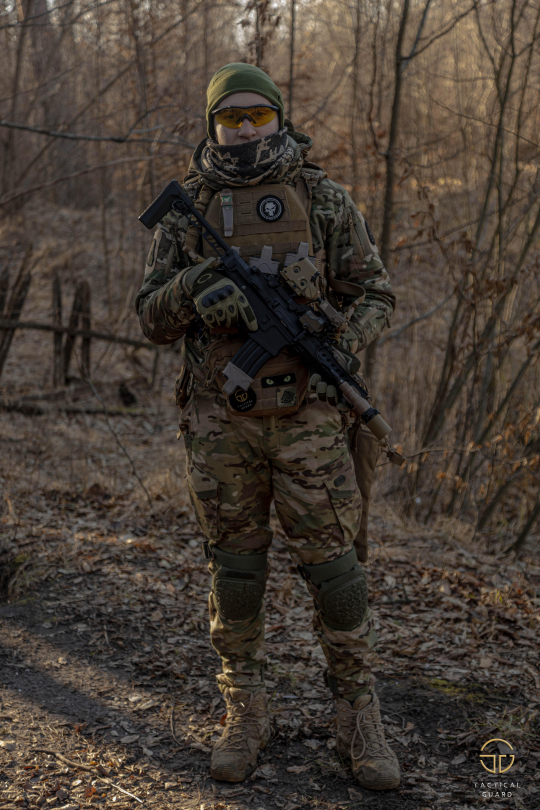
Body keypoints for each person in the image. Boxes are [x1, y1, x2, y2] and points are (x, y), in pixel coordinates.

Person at [136, 62, 400, 791]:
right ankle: (245, 707)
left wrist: (343, 338)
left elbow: (377, 292)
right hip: (219, 424)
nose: (246, 129)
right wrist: (194, 289)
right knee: (238, 571)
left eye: (258, 116)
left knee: (337, 573)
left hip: (312, 421)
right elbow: (150, 314)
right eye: (232, 118)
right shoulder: (189, 206)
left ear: (279, 118)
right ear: (213, 124)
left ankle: (356, 712)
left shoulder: (322, 198)